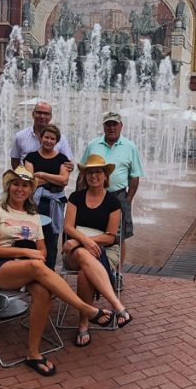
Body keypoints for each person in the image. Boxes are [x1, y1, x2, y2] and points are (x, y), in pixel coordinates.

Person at [0, 166, 115, 377]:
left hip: (27, 268)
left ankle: (33, 354)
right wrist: (26, 251)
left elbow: (42, 252)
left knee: (43, 292)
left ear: (30, 190)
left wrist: (31, 255)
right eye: (16, 184)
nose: (20, 189)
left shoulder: (33, 216)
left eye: (25, 185)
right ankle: (87, 309)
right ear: (8, 186)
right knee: (36, 266)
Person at [62, 154, 133, 347]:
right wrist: (82, 241)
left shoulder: (113, 202)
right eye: (90, 172)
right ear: (84, 176)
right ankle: (117, 306)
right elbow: (68, 227)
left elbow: (110, 237)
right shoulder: (75, 197)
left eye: (98, 172)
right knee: (84, 255)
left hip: (105, 250)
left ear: (105, 176)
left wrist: (81, 242)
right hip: (74, 251)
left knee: (86, 273)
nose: (94, 175)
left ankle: (84, 322)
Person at [79, 112, 144, 275]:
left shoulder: (130, 147)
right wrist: (78, 197)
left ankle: (117, 273)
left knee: (118, 237)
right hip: (93, 195)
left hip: (118, 196)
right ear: (103, 127)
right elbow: (82, 173)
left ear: (121, 126)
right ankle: (93, 269)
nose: (111, 128)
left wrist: (127, 201)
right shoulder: (93, 145)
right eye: (108, 124)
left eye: (115, 124)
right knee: (93, 231)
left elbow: (134, 177)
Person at [23, 124, 69, 271]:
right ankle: (33, 270)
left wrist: (41, 175)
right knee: (32, 237)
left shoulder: (62, 158)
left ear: (57, 141)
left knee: (51, 240)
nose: (49, 141)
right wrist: (53, 179)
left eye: (52, 139)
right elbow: (30, 180)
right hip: (35, 203)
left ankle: (49, 271)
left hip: (54, 205)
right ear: (41, 138)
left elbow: (64, 180)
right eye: (46, 137)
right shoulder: (31, 157)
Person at [10, 101, 74, 171]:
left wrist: (71, 167)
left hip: (53, 181)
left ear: (50, 117)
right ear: (33, 114)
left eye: (46, 114)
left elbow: (68, 164)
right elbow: (15, 161)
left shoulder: (61, 138)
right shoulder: (20, 136)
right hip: (27, 180)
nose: (42, 116)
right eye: (39, 112)